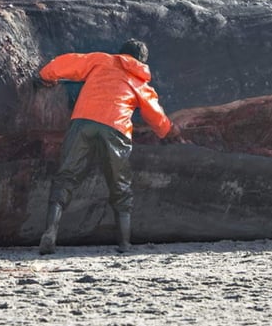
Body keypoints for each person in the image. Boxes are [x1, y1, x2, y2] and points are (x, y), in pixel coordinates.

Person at [35, 39, 177, 254]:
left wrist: (45, 76)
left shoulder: (101, 60)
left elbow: (66, 64)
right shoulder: (139, 82)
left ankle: (50, 233)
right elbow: (155, 115)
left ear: (121, 53)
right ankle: (124, 243)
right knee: (120, 188)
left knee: (66, 177)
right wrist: (169, 132)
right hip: (115, 129)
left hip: (83, 122)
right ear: (142, 61)